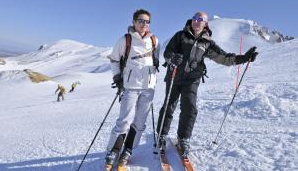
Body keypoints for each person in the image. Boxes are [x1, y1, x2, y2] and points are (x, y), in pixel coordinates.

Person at [156, 11, 258, 159]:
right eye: (195, 19)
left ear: (205, 24)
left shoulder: (207, 43)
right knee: (168, 106)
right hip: (174, 76)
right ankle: (161, 136)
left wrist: (244, 58)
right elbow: (168, 52)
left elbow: (224, 58)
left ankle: (183, 138)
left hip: (192, 79)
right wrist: (172, 58)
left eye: (200, 20)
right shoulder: (180, 36)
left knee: (190, 108)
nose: (196, 21)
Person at [105, 9, 160, 167]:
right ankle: (114, 150)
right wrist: (117, 77)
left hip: (149, 88)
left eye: (147, 22)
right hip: (131, 87)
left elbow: (156, 61)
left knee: (140, 122)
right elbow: (114, 60)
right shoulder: (126, 39)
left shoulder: (154, 41)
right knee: (124, 120)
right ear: (134, 22)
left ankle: (128, 150)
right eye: (141, 21)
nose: (144, 24)